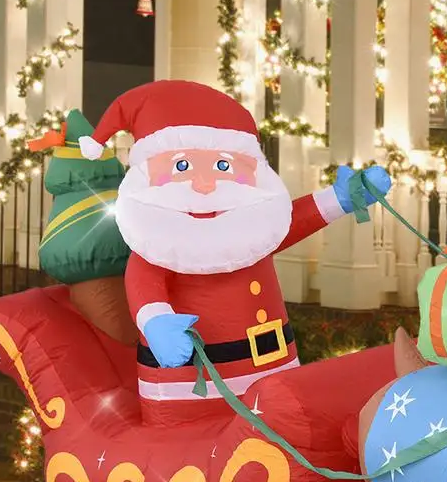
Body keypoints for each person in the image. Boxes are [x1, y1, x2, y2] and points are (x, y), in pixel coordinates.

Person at [79, 79, 391, 425]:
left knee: (279, 428)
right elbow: (144, 283)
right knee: (193, 440)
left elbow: (294, 220)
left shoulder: (255, 226)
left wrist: (342, 198)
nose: (205, 183)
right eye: (181, 166)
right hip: (191, 386)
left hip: (271, 371)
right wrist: (156, 322)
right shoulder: (158, 241)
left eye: (223, 165)